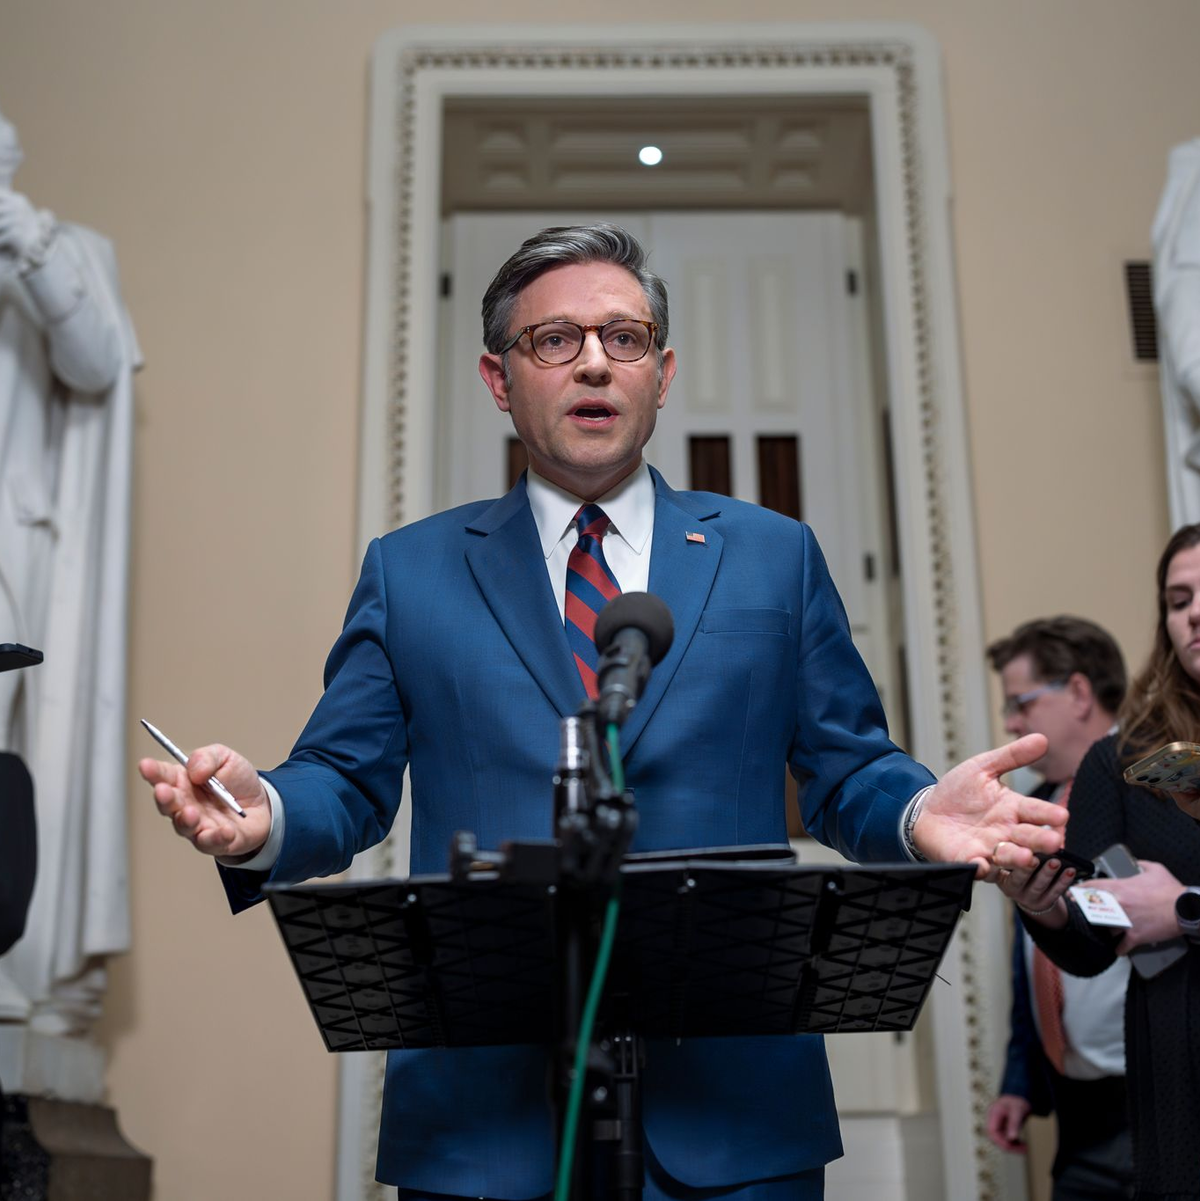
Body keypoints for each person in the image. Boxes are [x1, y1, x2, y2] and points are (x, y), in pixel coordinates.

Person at [139, 224, 1066, 1201]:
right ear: (499, 379)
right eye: (555, 339)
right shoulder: (410, 572)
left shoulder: (773, 555)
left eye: (624, 338)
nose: (594, 362)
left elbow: (847, 768)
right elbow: (345, 780)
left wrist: (918, 812)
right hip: (487, 1125)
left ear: (662, 373)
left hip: (735, 1119)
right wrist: (266, 816)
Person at [998, 526, 1200, 1200]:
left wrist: (1183, 910)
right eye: (1178, 600)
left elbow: (1175, 910)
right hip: (1173, 1077)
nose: (1194, 613)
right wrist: (1045, 905)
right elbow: (1089, 945)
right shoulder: (1121, 763)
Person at [0, 106, 141, 1037]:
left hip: (13, 533)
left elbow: (95, 364)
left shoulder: (51, 250)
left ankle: (8, 955)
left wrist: (30, 243)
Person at [984, 618, 1135, 1200]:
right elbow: (1033, 956)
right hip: (1077, 1113)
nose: (1010, 723)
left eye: (1021, 703)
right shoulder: (1034, 810)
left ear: (1078, 692)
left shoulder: (1158, 784)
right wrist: (1019, 1081)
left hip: (1161, 1090)